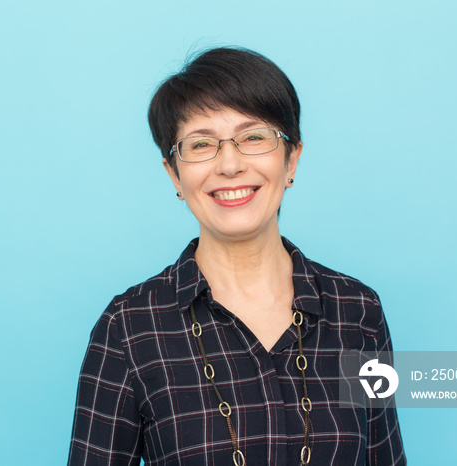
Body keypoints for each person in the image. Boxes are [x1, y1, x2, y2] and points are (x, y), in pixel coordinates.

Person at [67, 47, 406, 465]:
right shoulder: (129, 329)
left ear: (291, 159)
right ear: (174, 173)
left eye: (253, 137)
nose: (229, 165)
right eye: (201, 144)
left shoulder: (359, 312)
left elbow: (385, 459)